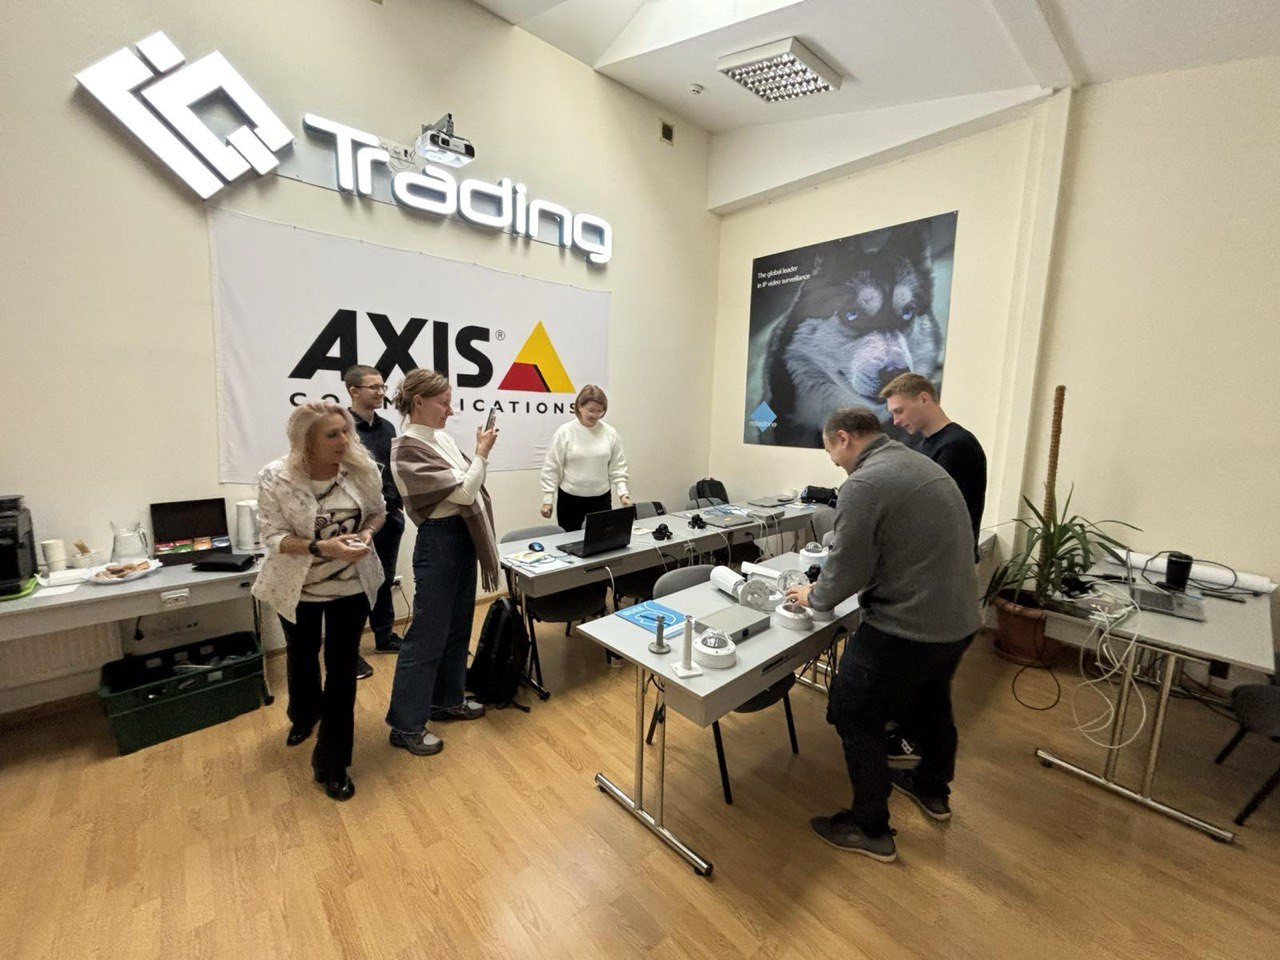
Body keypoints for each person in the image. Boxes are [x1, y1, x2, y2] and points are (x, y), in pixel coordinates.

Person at [786, 407, 981, 863]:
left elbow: (846, 567)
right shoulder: (918, 462)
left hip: (908, 626)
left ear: (843, 438)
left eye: (831, 452)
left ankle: (869, 826)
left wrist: (814, 596)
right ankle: (932, 790)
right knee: (932, 703)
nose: (835, 463)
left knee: (854, 711)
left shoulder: (866, 482)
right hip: (957, 621)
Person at [252, 402, 386, 801]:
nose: (344, 440)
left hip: (351, 585)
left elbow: (377, 512)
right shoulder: (275, 477)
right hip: (297, 587)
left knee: (342, 671)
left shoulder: (362, 469)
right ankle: (303, 714)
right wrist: (321, 546)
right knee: (301, 653)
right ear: (306, 441)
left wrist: (367, 534)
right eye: (332, 434)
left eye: (346, 431)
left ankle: (332, 763)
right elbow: (272, 537)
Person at [385, 369, 500, 757]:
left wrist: (473, 467)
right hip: (439, 542)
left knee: (457, 626)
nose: (451, 410)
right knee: (427, 636)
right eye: (444, 403)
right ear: (419, 402)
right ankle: (405, 725)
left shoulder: (443, 439)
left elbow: (467, 486)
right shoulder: (405, 449)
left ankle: (446, 700)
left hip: (461, 537)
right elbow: (467, 492)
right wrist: (481, 454)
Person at [878, 372, 988, 765]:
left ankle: (921, 758)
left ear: (924, 398)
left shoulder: (956, 447)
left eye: (900, 410)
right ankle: (910, 736)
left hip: (941, 575)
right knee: (922, 672)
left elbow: (932, 517)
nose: (896, 421)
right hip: (931, 570)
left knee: (930, 675)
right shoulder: (929, 446)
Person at [345, 364, 404, 683]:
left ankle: (384, 636)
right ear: (353, 391)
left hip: (389, 516)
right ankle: (347, 652)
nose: (381, 392)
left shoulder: (388, 427)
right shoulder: (341, 428)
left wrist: (398, 506)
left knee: (383, 578)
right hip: (354, 523)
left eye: (383, 387)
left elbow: (394, 470)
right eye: (374, 387)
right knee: (353, 587)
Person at [539, 384, 631, 531]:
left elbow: (618, 466)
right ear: (579, 407)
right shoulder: (565, 432)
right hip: (570, 500)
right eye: (591, 410)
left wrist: (623, 494)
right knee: (570, 541)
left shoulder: (610, 433)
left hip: (601, 499)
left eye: (600, 411)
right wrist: (547, 499)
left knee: (601, 540)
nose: (595, 415)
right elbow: (552, 467)